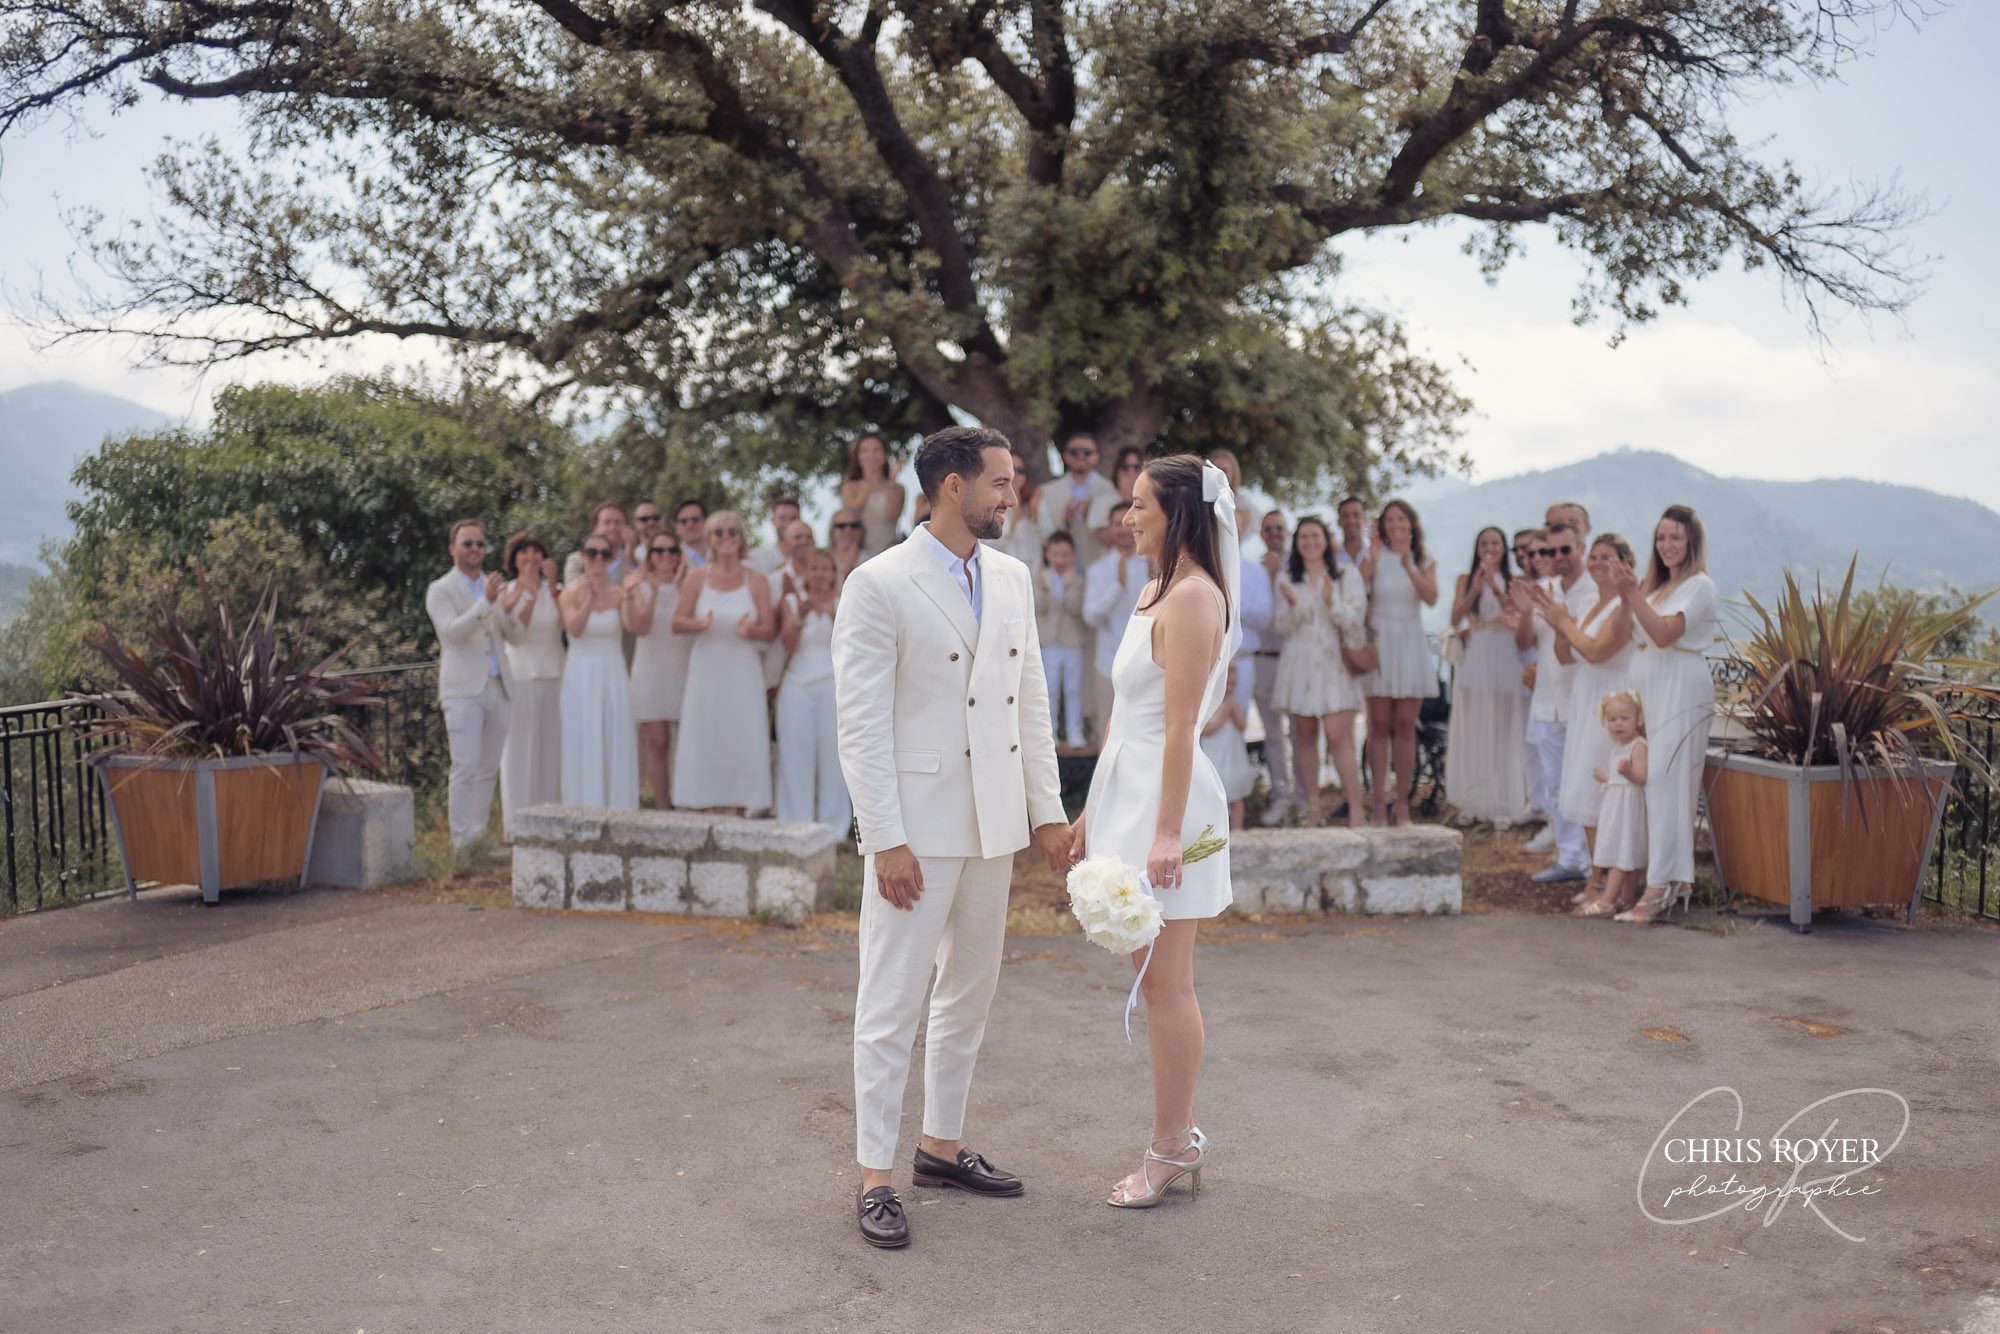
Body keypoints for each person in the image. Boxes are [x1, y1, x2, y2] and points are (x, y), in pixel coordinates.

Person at [832, 426, 1068, 1251]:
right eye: (1001, 482)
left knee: (969, 993)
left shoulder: (1011, 577)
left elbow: (1027, 699)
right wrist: (884, 838)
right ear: (953, 487)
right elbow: (859, 726)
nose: (1012, 496)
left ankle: (939, 1147)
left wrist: (1047, 813)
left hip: (994, 823)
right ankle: (874, 1177)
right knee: (890, 1002)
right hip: (916, 830)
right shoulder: (878, 584)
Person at [1068, 453, 1240, 1209]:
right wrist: (1090, 810)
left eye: (1140, 505)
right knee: (1153, 980)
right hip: (1129, 793)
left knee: (1167, 985)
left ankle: (1174, 1145)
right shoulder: (1151, 591)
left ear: (1180, 514)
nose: (1127, 517)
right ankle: (1179, 1136)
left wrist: (1167, 834)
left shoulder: (1196, 599)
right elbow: (1123, 720)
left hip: (1170, 802)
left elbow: (1178, 728)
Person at [1615, 504, 1718, 924]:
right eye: (1661, 537)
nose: (1667, 545)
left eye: (1676, 536)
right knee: (1650, 782)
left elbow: (1663, 634)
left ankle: (1661, 887)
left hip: (1680, 686)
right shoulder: (1656, 588)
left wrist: (1633, 595)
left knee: (1666, 783)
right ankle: (1671, 881)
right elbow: (1629, 634)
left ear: (1691, 541)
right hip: (1651, 689)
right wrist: (1628, 597)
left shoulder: (1699, 586)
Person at [1536, 533, 1638, 912]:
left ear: (1624, 563)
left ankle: (1605, 885)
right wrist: (1559, 623)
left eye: (1606, 557)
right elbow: (1567, 655)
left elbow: (1597, 652)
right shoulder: (1596, 603)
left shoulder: (1624, 605)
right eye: (1592, 556)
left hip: (1610, 699)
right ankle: (1597, 879)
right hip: (1585, 696)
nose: (1595, 563)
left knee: (1601, 791)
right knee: (1583, 787)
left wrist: (1566, 623)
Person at [671, 512, 777, 815]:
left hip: (742, 670)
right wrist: (698, 624)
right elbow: (677, 622)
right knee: (706, 735)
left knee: (741, 735)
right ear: (710, 539)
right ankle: (704, 808)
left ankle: (739, 810)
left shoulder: (756, 580)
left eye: (732, 531)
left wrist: (751, 631)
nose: (726, 537)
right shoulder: (696, 577)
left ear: (741, 537)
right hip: (706, 670)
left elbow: (769, 630)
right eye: (719, 533)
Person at [1273, 516, 1369, 827]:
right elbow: (1282, 626)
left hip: (1334, 663)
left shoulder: (1346, 575)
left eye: (1315, 536)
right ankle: (1313, 809)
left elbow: (1355, 621)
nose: (1310, 542)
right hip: (1299, 662)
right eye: (1303, 537)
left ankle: (1356, 808)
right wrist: (1293, 606)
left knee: (1339, 735)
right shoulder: (1287, 577)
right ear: (1296, 543)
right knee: (1304, 736)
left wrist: (1332, 602)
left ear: (1326, 540)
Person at [1514, 520, 1596, 881]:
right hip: (1547, 699)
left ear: (1581, 547)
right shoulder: (1543, 590)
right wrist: (1521, 611)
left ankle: (1595, 861)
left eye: (1565, 549)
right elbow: (1524, 643)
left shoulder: (1594, 592)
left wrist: (1561, 620)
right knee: (1555, 785)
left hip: (1583, 698)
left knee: (1586, 783)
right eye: (1549, 551)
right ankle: (1569, 858)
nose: (1557, 557)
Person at [427, 519, 513, 847]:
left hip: (498, 685)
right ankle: (461, 842)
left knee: (488, 767)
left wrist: (514, 607)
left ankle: (478, 836)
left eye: (480, 543)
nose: (475, 549)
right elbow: (452, 632)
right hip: (463, 689)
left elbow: (508, 632)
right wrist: (486, 603)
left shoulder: (493, 586)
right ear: (453, 549)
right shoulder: (440, 589)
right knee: (464, 766)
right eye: (468, 543)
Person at [1443, 526, 1530, 825]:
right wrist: (1477, 588)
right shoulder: (1465, 580)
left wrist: (1494, 585)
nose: (1489, 548)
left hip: (1505, 651)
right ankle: (1472, 800)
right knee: (1475, 725)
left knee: (1503, 727)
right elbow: (1455, 618)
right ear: (1477, 548)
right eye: (1484, 543)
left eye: (1494, 543)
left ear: (1503, 548)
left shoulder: (1515, 581)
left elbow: (1514, 609)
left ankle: (1503, 802)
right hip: (1477, 651)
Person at [1360, 500, 1439, 825]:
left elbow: (1432, 597)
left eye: (1401, 519)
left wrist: (1409, 565)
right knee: (1378, 726)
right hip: (1380, 640)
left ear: (1411, 524)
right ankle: (1379, 802)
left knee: (1406, 726)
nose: (1395, 525)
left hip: (1409, 641)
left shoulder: (1423, 558)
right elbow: (1358, 590)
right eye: (1389, 520)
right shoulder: (1373, 556)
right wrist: (1374, 558)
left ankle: (1403, 804)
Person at [556, 532, 639, 808]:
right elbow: (575, 630)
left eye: (605, 553)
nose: (599, 559)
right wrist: (590, 599)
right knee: (583, 738)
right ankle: (584, 806)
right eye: (592, 553)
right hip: (581, 674)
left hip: (612, 673)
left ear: (612, 558)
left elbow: (634, 626)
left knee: (613, 739)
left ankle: (618, 807)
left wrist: (629, 594)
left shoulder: (618, 593)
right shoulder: (570, 593)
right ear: (583, 557)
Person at [775, 548, 850, 832]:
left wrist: (831, 614)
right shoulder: (792, 602)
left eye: (825, 568)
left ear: (833, 573)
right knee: (795, 757)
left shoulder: (844, 602)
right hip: (798, 684)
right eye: (814, 568)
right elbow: (787, 645)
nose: (819, 574)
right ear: (806, 572)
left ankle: (833, 826)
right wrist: (800, 617)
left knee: (833, 757)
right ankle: (795, 823)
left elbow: (848, 646)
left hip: (832, 684)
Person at [497, 532, 564, 837]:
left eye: (536, 553)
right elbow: (517, 632)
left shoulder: (557, 591)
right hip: (520, 675)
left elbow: (569, 627)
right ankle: (518, 822)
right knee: (518, 750)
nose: (531, 558)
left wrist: (550, 588)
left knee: (551, 748)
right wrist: (530, 595)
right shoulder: (505, 591)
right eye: (524, 554)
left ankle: (551, 817)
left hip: (554, 674)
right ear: (514, 559)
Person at [627, 533, 693, 809]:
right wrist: (652, 591)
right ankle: (663, 806)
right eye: (659, 550)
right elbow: (639, 627)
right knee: (657, 742)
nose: (665, 554)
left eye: (671, 549)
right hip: (650, 670)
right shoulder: (636, 586)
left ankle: (686, 800)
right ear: (650, 556)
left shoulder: (691, 586)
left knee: (686, 742)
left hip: (683, 667)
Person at [1083, 500, 1147, 745]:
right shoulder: (1098, 569)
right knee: (1108, 739)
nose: (1123, 529)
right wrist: (1117, 588)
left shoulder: (1154, 565)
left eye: (1129, 523)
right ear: (1110, 529)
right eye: (1117, 524)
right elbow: (1090, 616)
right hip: (1107, 666)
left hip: (1145, 664)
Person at [1250, 511, 1298, 825]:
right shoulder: (1254, 571)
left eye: (1279, 528)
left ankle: (1304, 795)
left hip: (1294, 658)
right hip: (1263, 658)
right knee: (1273, 734)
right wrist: (1267, 577)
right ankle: (1281, 793)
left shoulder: (1298, 568)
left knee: (1299, 731)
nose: (1274, 533)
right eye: (1268, 529)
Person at [1589, 690, 1649, 919]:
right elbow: (1617, 780)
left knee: (1621, 854)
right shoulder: (1616, 747)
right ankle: (1627, 898)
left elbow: (1641, 778)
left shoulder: (1638, 746)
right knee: (1627, 854)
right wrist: (1607, 778)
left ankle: (1606, 902)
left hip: (1629, 808)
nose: (1618, 724)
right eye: (1612, 719)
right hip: (1616, 808)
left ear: (1638, 720)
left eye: (1624, 719)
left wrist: (1629, 772)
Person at [1034, 530, 1089, 748]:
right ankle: (1051, 733)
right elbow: (1038, 607)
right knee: (1050, 689)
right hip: (1049, 642)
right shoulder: (1039, 577)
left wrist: (1067, 588)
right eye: (1055, 554)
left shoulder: (1078, 579)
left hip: (1072, 641)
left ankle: (1075, 732)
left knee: (1074, 689)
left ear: (1073, 555)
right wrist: (1047, 591)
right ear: (1047, 554)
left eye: (1064, 555)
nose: (1059, 559)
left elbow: (1076, 608)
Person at [1201, 661, 1258, 830]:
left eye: (1234, 684)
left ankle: (1237, 829)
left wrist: (1235, 714)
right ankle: (1214, 830)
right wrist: (1223, 715)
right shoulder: (1209, 705)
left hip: (1232, 756)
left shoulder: (1235, 704)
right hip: (1215, 755)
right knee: (1213, 795)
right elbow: (1206, 731)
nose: (1230, 688)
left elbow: (1242, 727)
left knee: (1236, 796)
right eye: (1227, 683)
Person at [1054, 431, 1122, 568]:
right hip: (1063, 573)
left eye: (1087, 452)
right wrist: (1066, 521)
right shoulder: (1047, 491)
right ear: (1065, 456)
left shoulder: (1111, 490)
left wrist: (1090, 517)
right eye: (1074, 452)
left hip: (1101, 568)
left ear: (1096, 457)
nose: (1080, 456)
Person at [840, 432, 906, 562]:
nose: (871, 455)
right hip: (858, 554)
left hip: (889, 552)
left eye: (876, 450)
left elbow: (892, 516)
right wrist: (868, 486)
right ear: (858, 457)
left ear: (884, 456)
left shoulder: (896, 488)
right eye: (865, 450)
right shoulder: (849, 487)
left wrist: (891, 482)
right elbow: (853, 512)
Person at [989, 446, 1047, 565]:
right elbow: (990, 545)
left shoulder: (1035, 502)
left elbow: (1049, 539)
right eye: (1011, 469)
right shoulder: (991, 504)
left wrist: (1035, 512)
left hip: (1034, 573)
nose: (1015, 475)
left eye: (1020, 470)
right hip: (1004, 572)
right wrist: (1012, 522)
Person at [563, 500, 638, 585]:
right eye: (607, 522)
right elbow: (572, 593)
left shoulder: (639, 560)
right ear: (596, 528)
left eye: (618, 522)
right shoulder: (576, 561)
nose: (612, 528)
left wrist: (629, 553)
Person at [747, 495, 803, 575]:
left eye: (793, 518)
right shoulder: (756, 557)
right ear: (773, 520)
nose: (788, 523)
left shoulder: (813, 558)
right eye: (782, 518)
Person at [829, 506, 868, 588]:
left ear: (862, 530)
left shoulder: (873, 560)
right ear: (832, 532)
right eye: (841, 526)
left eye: (854, 526)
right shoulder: (821, 560)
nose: (848, 531)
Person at [1334, 496, 1371, 573]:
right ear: (1339, 521)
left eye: (1356, 515)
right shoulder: (1333, 558)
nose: (1351, 521)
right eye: (1345, 516)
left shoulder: (1374, 553)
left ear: (1365, 519)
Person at [673, 498, 710, 569]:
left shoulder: (724, 554)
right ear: (676, 527)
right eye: (683, 521)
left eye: (695, 520)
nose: (690, 525)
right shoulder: (671, 559)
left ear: (707, 522)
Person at [630, 500, 668, 568]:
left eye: (656, 518)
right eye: (644, 519)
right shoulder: (632, 558)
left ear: (663, 520)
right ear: (635, 524)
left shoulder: (680, 554)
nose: (651, 522)